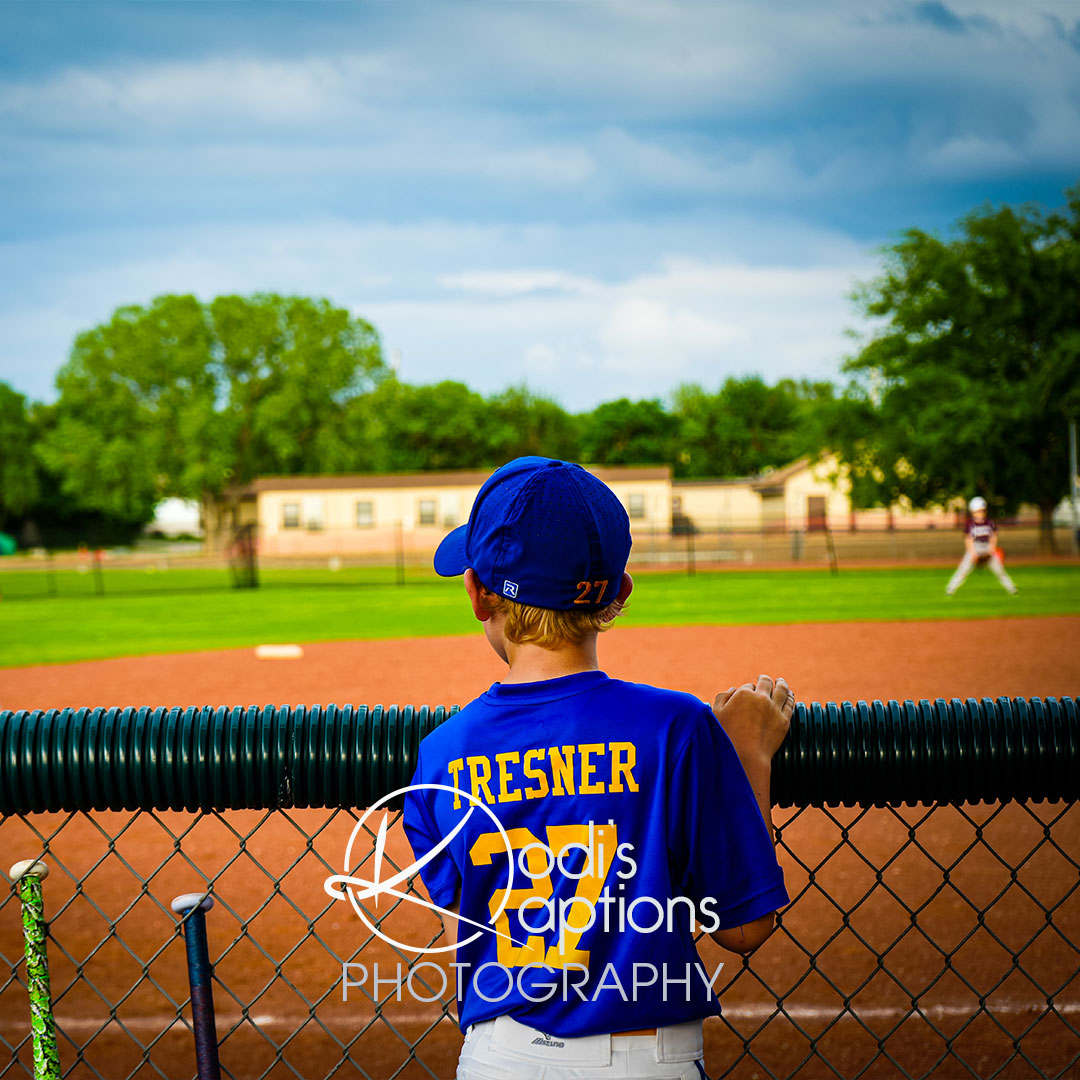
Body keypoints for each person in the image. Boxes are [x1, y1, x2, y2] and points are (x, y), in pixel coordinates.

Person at [402, 457, 793, 1080]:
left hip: (498, 1055)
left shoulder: (441, 753)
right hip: (648, 1056)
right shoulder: (678, 728)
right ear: (619, 593)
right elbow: (742, 928)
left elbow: (474, 911)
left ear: (477, 594)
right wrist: (747, 757)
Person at [945, 496, 1018, 596]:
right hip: (974, 548)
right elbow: (968, 539)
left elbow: (993, 536)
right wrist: (972, 553)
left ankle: (1012, 589)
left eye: (982, 510)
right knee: (963, 570)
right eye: (977, 511)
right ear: (973, 511)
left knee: (1000, 570)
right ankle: (950, 589)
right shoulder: (970, 523)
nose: (980, 513)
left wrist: (991, 549)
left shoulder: (990, 522)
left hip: (987, 548)